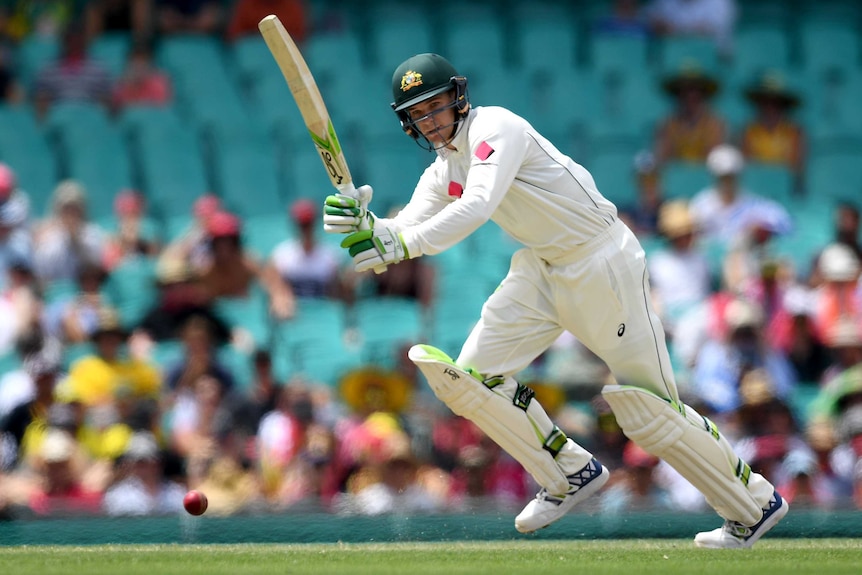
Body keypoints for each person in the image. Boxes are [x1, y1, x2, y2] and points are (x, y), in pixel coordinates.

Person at [321, 53, 789, 548]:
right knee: (470, 381)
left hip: (600, 262)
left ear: (458, 98)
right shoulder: (443, 170)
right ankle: (568, 472)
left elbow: (476, 206)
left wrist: (401, 244)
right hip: (542, 268)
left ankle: (753, 504)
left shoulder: (496, 128)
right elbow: (405, 226)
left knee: (650, 411)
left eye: (436, 106)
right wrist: (367, 226)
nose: (431, 120)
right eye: (418, 113)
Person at [739, 70, 806, 184]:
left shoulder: (795, 132)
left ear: (784, 105)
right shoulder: (748, 131)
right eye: (765, 102)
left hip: (785, 190)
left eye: (775, 103)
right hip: (756, 188)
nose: (769, 107)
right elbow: (746, 167)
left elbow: (795, 170)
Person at [654, 63, 727, 165]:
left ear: (703, 94)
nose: (690, 96)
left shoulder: (715, 124)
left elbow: (715, 161)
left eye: (694, 90)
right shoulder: (667, 125)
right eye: (685, 91)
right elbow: (662, 159)